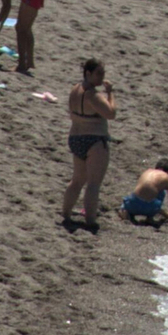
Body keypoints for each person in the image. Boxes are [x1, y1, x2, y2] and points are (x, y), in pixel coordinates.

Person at [63, 59, 116, 229]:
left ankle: (66, 214)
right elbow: (111, 113)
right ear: (88, 74)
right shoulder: (93, 95)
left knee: (77, 180)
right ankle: (90, 221)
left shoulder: (75, 90)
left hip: (76, 138)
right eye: (99, 73)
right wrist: (110, 93)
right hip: (94, 140)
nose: (102, 77)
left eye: (103, 73)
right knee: (93, 183)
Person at [121, 158, 168, 228]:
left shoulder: (147, 171)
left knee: (136, 196)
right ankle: (149, 218)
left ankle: (126, 212)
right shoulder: (167, 179)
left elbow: (141, 194)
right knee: (161, 193)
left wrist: (166, 214)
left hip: (132, 204)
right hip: (149, 208)